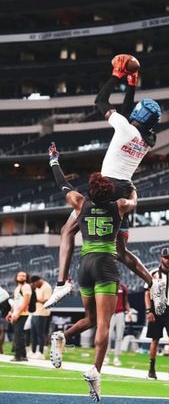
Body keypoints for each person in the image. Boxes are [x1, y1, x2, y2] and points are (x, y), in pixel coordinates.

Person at [44, 54, 161, 309]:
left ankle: (62, 282)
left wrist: (117, 76)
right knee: (120, 252)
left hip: (105, 187)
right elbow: (130, 115)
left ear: (137, 114)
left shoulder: (123, 127)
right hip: (125, 190)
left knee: (67, 231)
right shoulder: (147, 139)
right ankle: (154, 283)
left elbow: (100, 101)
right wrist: (132, 83)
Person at [48, 155, 139, 402]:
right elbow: (133, 202)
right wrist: (132, 189)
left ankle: (63, 336)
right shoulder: (118, 205)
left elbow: (62, 185)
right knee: (104, 324)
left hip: (84, 265)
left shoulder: (80, 203)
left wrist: (54, 161)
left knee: (91, 318)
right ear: (109, 191)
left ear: (90, 190)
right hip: (106, 265)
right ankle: (95, 371)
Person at [144, 247, 169, 381]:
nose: (168, 260)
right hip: (156, 309)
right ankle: (151, 370)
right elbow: (146, 293)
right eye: (166, 258)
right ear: (161, 258)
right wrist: (149, 311)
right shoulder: (153, 273)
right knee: (155, 340)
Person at [104, 283, 132, 366]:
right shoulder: (109, 286)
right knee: (108, 337)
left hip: (120, 313)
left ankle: (116, 357)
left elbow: (126, 301)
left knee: (119, 337)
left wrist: (129, 311)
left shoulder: (123, 287)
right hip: (110, 313)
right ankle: (106, 357)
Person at [6, 272, 32, 362]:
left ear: (26, 277)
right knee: (19, 334)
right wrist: (11, 312)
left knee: (18, 335)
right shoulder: (17, 287)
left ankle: (18, 356)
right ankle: (23, 356)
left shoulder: (26, 286)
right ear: (16, 277)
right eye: (20, 276)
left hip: (22, 313)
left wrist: (17, 313)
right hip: (17, 312)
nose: (22, 277)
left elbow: (26, 301)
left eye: (24, 276)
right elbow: (16, 302)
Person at [29, 275, 52, 359]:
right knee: (33, 334)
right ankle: (33, 351)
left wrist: (35, 299)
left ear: (38, 280)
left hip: (42, 313)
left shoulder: (47, 287)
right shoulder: (36, 287)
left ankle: (41, 352)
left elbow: (47, 301)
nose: (35, 286)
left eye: (35, 284)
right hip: (35, 312)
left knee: (40, 334)